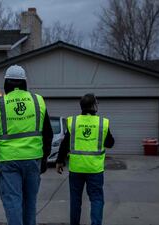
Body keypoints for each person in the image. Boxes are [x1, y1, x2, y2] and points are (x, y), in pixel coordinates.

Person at [0, 64, 53, 225]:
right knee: (30, 204)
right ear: (24, 83)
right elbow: (48, 133)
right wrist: (44, 159)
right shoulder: (37, 100)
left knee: (13, 202)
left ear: (6, 83)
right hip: (33, 159)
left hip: (9, 161)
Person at [56, 93, 115, 225]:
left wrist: (59, 161)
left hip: (76, 168)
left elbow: (65, 143)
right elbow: (110, 143)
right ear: (94, 105)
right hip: (95, 169)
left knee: (75, 200)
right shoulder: (102, 123)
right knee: (96, 199)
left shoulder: (73, 122)